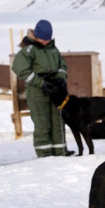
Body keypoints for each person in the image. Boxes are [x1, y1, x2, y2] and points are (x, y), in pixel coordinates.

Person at [11, 19, 70, 157]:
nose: (45, 41)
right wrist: (41, 83)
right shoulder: (28, 50)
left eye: (47, 39)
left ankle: (61, 152)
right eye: (42, 39)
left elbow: (63, 65)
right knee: (42, 123)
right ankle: (45, 156)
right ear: (36, 35)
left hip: (55, 91)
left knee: (58, 121)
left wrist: (61, 78)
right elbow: (20, 69)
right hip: (37, 91)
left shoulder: (53, 49)